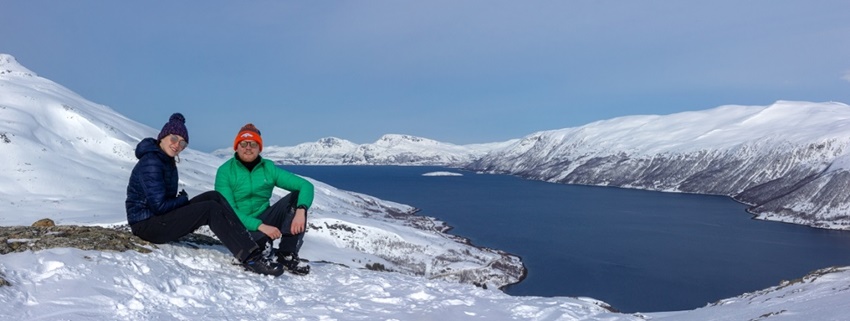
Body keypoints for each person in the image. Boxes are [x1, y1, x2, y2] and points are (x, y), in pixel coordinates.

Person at [125, 113, 284, 277]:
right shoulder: (152, 162)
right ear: (163, 137)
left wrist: (181, 202)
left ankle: (249, 242)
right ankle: (251, 258)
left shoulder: (164, 159)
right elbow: (159, 206)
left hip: (157, 219)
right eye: (174, 139)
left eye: (182, 143)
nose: (177, 145)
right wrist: (182, 200)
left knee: (214, 196)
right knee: (209, 209)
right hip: (147, 226)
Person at [215, 123, 314, 275]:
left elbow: (306, 186)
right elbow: (228, 210)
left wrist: (301, 210)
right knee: (260, 245)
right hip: (237, 226)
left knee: (297, 198)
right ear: (236, 146)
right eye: (243, 143)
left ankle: (286, 255)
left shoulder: (268, 168)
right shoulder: (225, 171)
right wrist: (261, 226)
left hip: (264, 220)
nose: (248, 147)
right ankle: (257, 249)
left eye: (253, 144)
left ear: (259, 148)